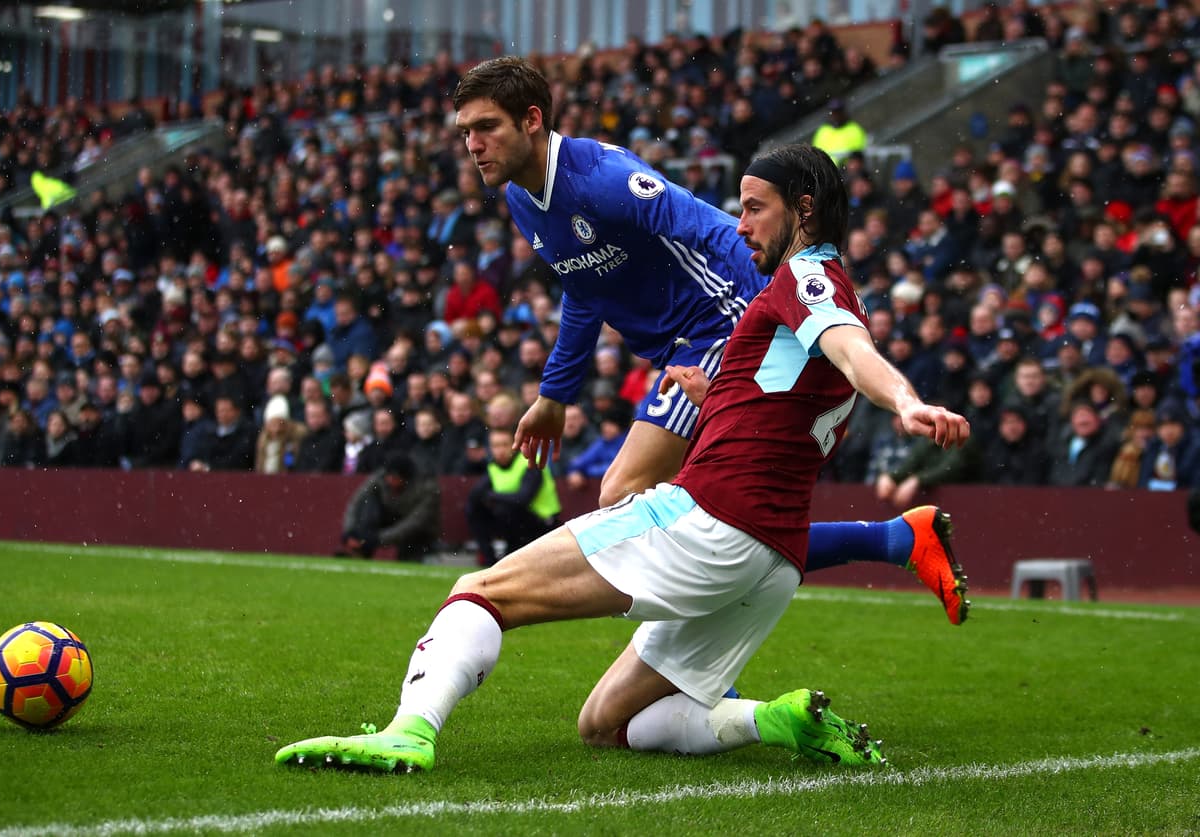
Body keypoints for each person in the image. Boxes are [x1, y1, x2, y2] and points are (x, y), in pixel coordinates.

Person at [275, 144, 971, 775]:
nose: (740, 223)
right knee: (604, 725)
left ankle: (409, 728)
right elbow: (793, 388)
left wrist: (906, 403)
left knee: (481, 590)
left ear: (805, 210)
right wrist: (711, 388)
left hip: (709, 524)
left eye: (755, 208)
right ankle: (775, 718)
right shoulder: (809, 301)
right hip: (773, 561)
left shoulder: (805, 279)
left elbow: (850, 348)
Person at [447, 56, 967, 624]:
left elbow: (712, 228)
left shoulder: (602, 178)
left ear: (530, 120)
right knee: (726, 519)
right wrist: (554, 395)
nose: (473, 144)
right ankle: (895, 541)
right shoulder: (524, 200)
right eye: (466, 132)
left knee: (624, 492)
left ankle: (701, 675)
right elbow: (583, 287)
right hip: (682, 351)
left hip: (721, 324)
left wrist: (788, 305)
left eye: (486, 127)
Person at [467, 427, 562, 566]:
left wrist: (491, 496)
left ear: (515, 445)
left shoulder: (530, 462)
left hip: (544, 521)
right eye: (495, 446)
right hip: (515, 521)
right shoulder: (493, 466)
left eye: (505, 444)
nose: (500, 450)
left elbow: (523, 499)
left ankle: (512, 552)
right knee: (474, 509)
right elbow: (475, 495)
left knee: (506, 510)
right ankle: (488, 559)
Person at [337, 451, 440, 561]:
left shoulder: (427, 487)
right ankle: (359, 551)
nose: (390, 480)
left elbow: (414, 522)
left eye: (395, 477)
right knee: (368, 506)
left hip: (417, 533)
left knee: (413, 546)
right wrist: (350, 532)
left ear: (406, 479)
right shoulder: (379, 478)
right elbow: (356, 504)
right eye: (388, 476)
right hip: (388, 519)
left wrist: (377, 539)